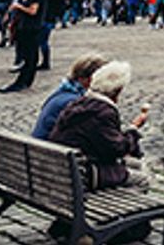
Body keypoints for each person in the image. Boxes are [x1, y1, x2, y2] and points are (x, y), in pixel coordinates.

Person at [48, 61, 151, 190]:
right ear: (117, 91)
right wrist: (134, 130)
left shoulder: (79, 103)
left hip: (65, 169)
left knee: (136, 164)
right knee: (142, 179)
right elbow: (116, 149)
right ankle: (126, 209)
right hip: (84, 174)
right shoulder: (103, 112)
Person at [34, 54, 109, 140]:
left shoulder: (62, 93)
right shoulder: (76, 103)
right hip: (53, 150)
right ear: (88, 79)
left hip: (42, 149)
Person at [0, 0, 48, 93]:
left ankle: (21, 82)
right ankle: (26, 81)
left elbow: (33, 11)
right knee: (32, 56)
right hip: (33, 27)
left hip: (29, 28)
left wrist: (18, 6)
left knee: (29, 56)